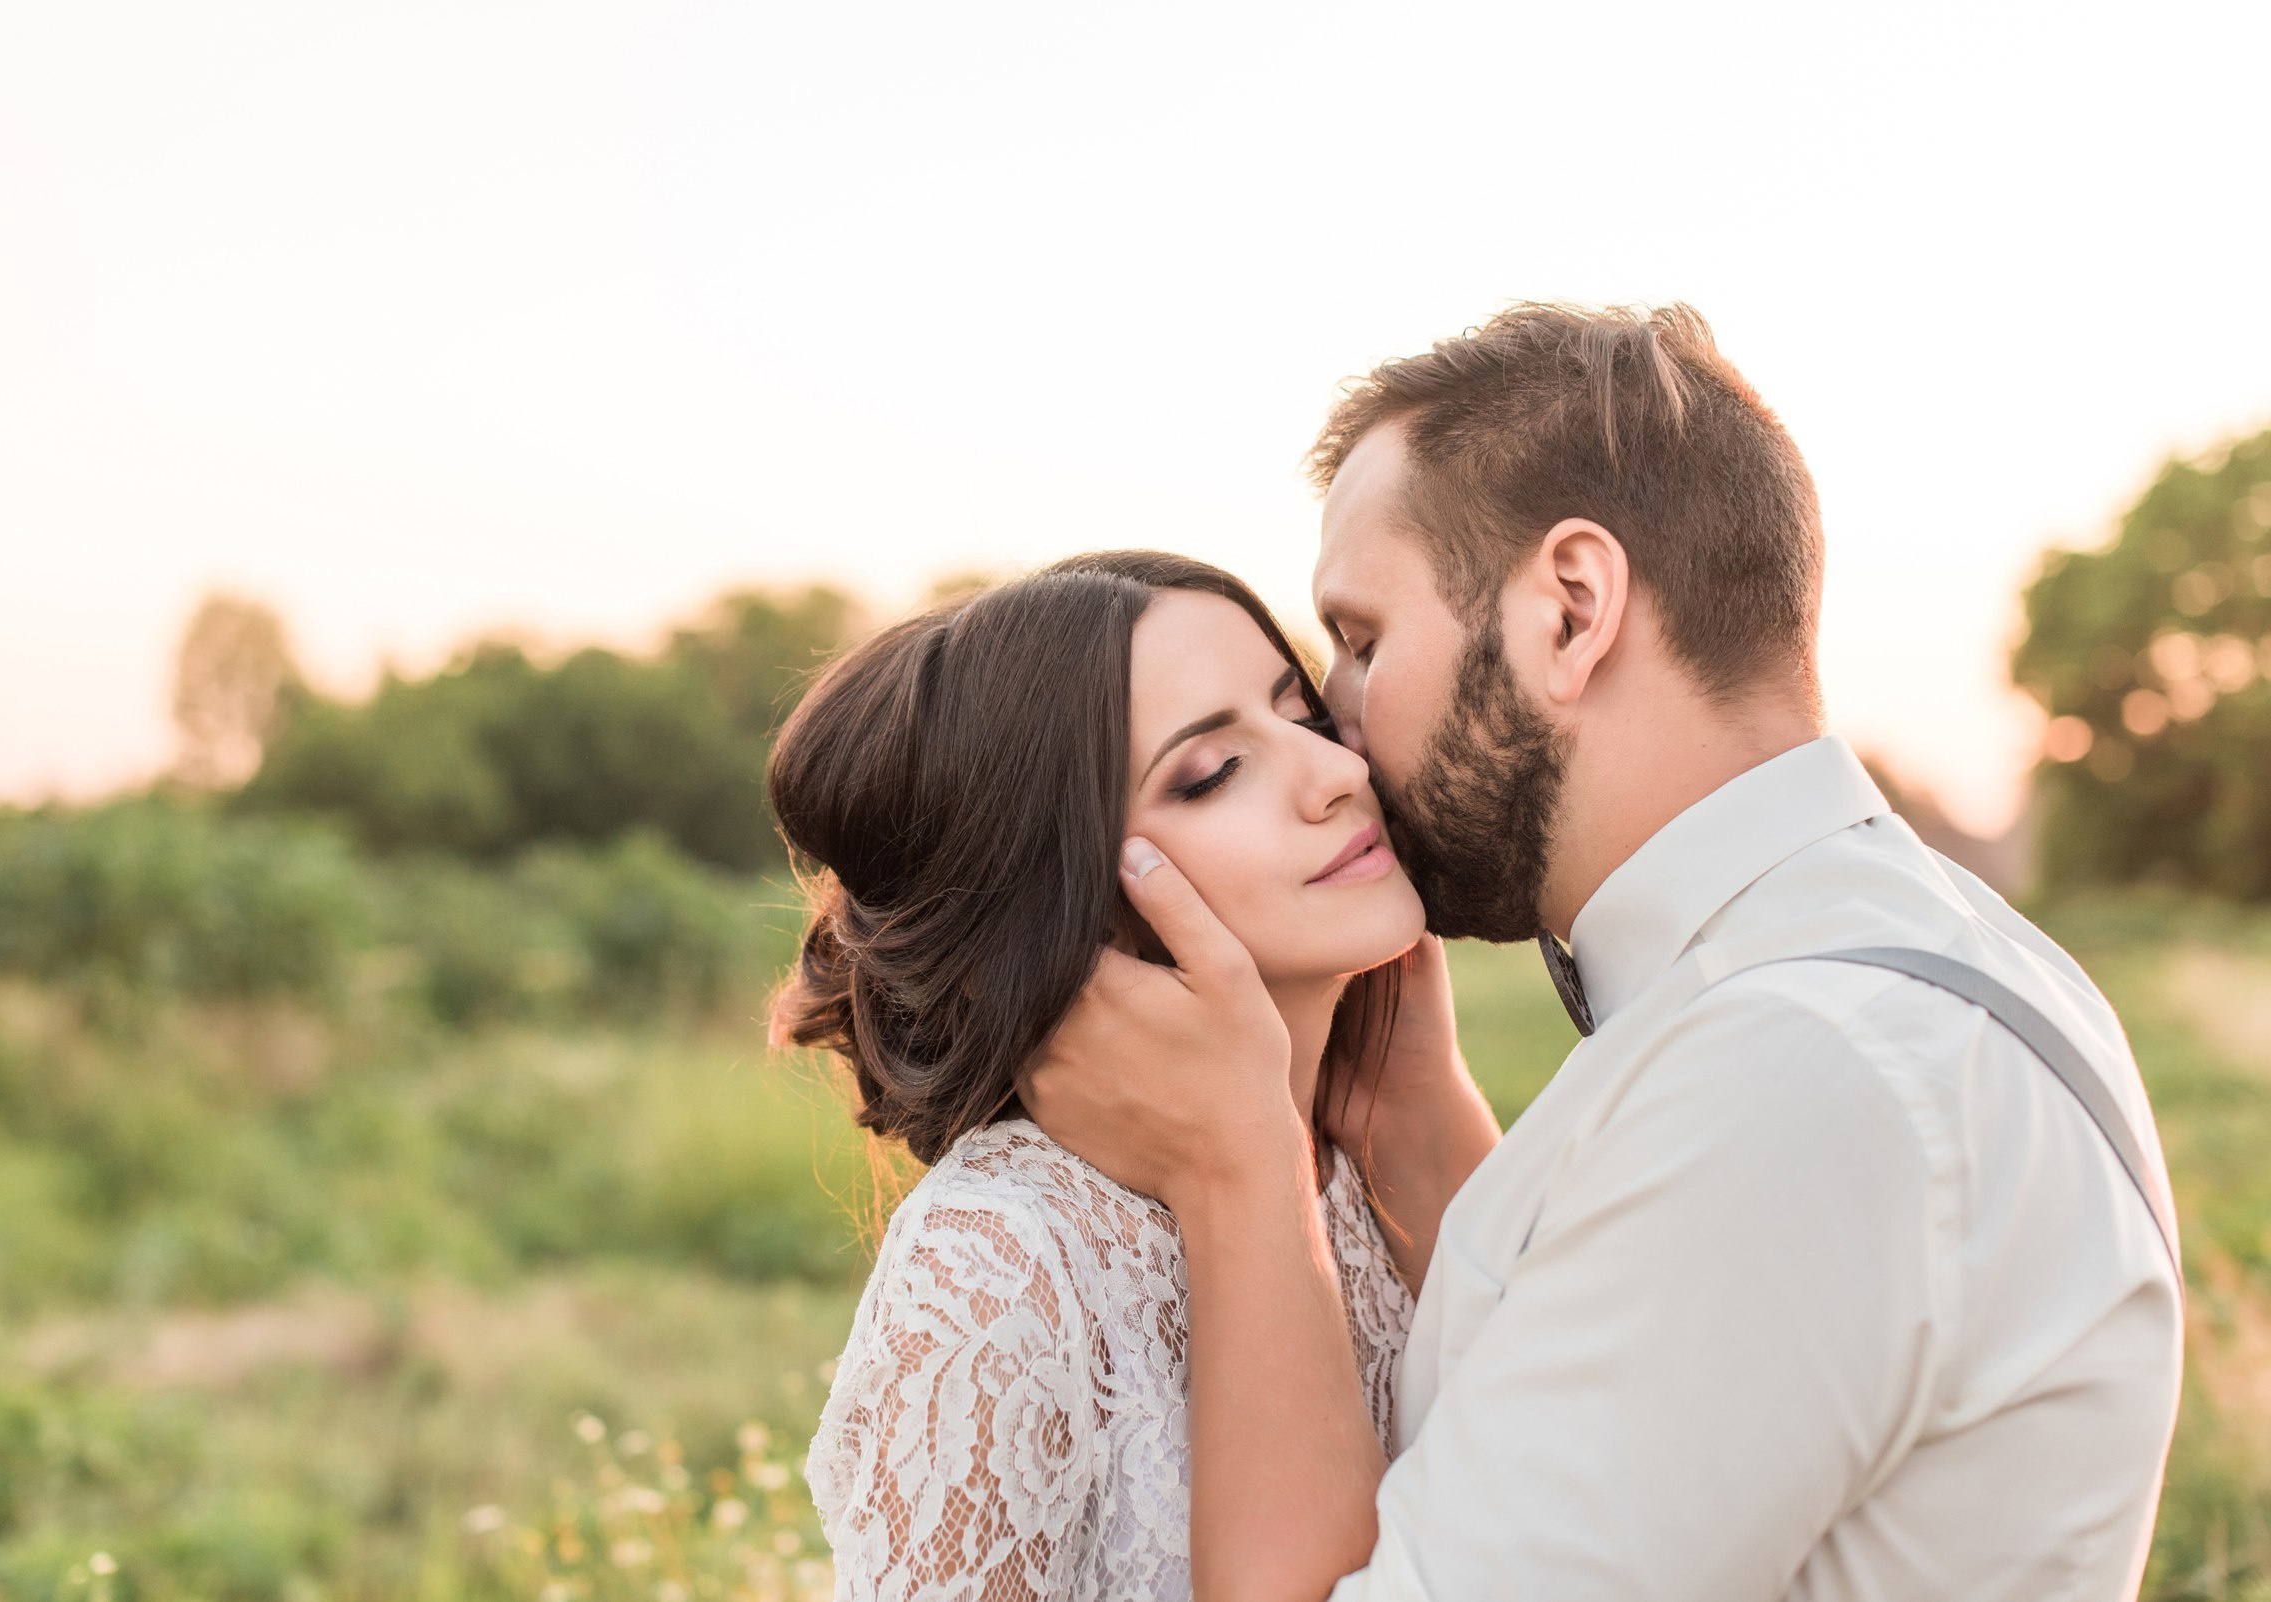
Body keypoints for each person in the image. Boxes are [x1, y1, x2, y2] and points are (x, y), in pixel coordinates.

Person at [1020, 304, 2186, 1601]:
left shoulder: (1793, 1071)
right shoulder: (1894, 971)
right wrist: (1416, 1135)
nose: (1339, 735)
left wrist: (1238, 1174)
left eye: (1360, 643)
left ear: (1570, 609)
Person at [771, 550, 1459, 1600]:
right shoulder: (999, 1266)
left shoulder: (1367, 1156)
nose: (1340, 774)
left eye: (1306, 717)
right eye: (1211, 773)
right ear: (1071, 905)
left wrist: (1423, 1113)